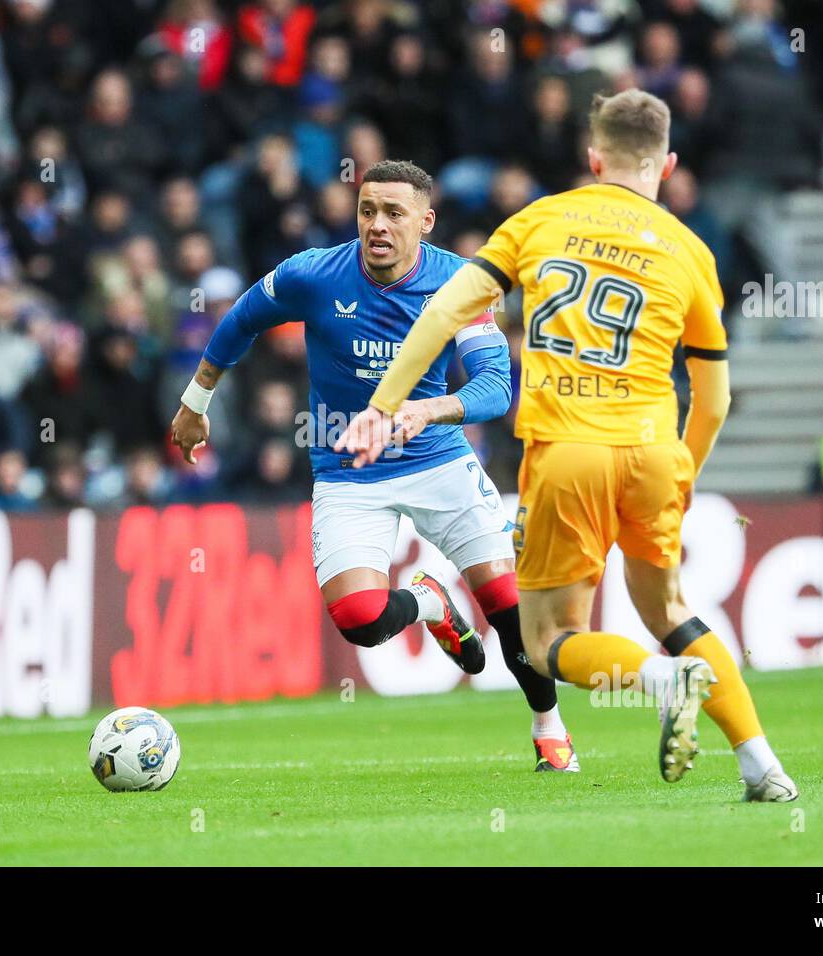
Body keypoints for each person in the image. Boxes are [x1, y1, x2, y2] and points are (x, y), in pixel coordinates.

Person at [338, 92, 797, 802]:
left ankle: (658, 680)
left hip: (569, 452)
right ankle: (762, 765)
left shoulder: (540, 219)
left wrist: (382, 405)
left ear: (592, 158)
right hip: (654, 451)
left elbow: (446, 311)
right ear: (668, 164)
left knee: (550, 638)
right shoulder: (690, 250)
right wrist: (684, 474)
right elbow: (716, 398)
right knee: (669, 608)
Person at [170, 160, 578, 773]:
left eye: (393, 213)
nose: (377, 225)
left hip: (437, 460)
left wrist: (431, 411)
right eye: (367, 211)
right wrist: (195, 400)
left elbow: (497, 386)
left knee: (502, 597)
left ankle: (549, 724)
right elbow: (241, 319)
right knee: (360, 620)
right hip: (348, 471)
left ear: (426, 220)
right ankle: (429, 604)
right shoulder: (313, 273)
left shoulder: (461, 283)